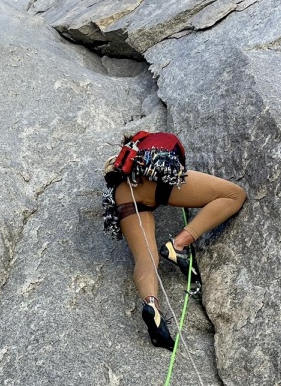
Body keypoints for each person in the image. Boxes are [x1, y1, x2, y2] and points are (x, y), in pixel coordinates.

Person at [103, 131, 246, 350]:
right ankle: (178, 245)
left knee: (146, 258)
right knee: (234, 195)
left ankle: (152, 305)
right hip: (152, 175)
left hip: (122, 196)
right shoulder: (153, 145)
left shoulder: (121, 166)